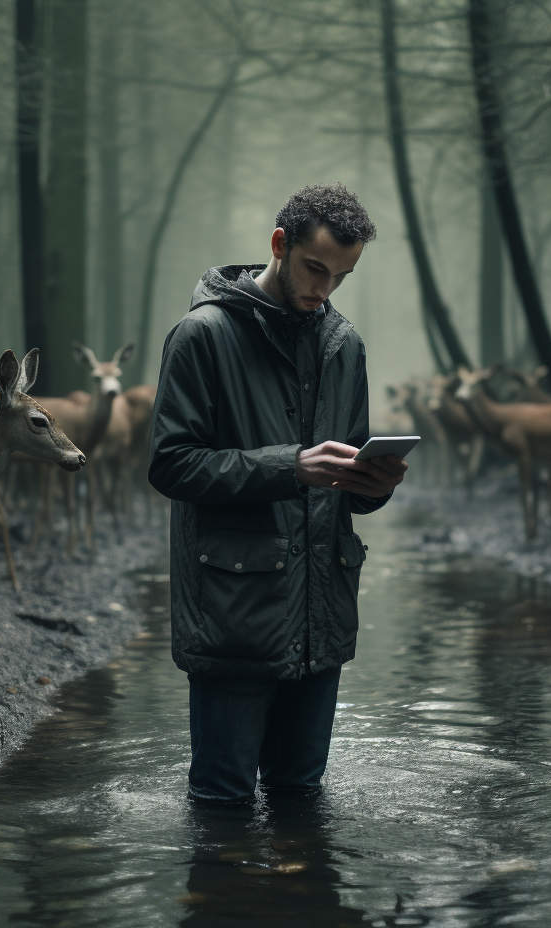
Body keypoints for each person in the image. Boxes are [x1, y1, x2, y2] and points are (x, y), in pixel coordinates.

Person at [148, 183, 408, 804]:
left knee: (301, 798)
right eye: (315, 268)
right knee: (221, 805)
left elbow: (343, 483)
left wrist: (375, 485)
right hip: (233, 612)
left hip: (323, 614)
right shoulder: (201, 336)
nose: (324, 289)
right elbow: (171, 466)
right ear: (279, 244)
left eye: (341, 276)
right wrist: (290, 466)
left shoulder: (345, 346)